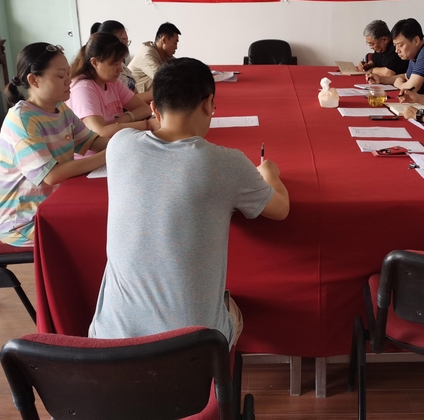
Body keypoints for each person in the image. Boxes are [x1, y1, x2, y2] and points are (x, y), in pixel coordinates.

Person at [88, 58, 289, 346]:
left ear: (154, 108)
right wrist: (269, 173)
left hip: (109, 344)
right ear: (208, 103)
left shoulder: (120, 144)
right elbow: (280, 209)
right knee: (233, 306)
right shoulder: (225, 163)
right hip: (192, 349)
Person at [0, 42, 108, 247]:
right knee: (97, 234)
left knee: (105, 219)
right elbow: (51, 175)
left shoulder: (61, 110)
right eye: (61, 76)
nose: (69, 81)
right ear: (34, 80)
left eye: (68, 74)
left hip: (54, 203)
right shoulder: (22, 120)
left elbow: (94, 142)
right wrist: (111, 153)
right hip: (23, 223)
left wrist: (130, 141)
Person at [66, 32, 159, 139]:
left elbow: (144, 109)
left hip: (114, 141)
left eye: (120, 63)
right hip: (99, 147)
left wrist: (122, 120)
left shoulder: (111, 82)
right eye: (115, 64)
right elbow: (100, 132)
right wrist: (146, 125)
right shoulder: (83, 89)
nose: (120, 69)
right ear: (95, 63)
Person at [367, 18, 424, 96]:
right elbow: (407, 76)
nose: (396, 50)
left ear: (416, 41)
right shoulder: (415, 54)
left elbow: (410, 88)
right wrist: (382, 79)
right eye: (395, 46)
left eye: (400, 45)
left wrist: (398, 83)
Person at [91, 20, 152, 104]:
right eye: (123, 40)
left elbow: (134, 97)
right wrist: (156, 93)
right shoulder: (107, 74)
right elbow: (125, 101)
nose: (126, 44)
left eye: (127, 41)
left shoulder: (121, 66)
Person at [128, 22, 181, 94]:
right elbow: (162, 78)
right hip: (133, 95)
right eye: (175, 43)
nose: (176, 47)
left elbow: (180, 68)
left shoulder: (165, 55)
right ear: (164, 40)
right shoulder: (148, 53)